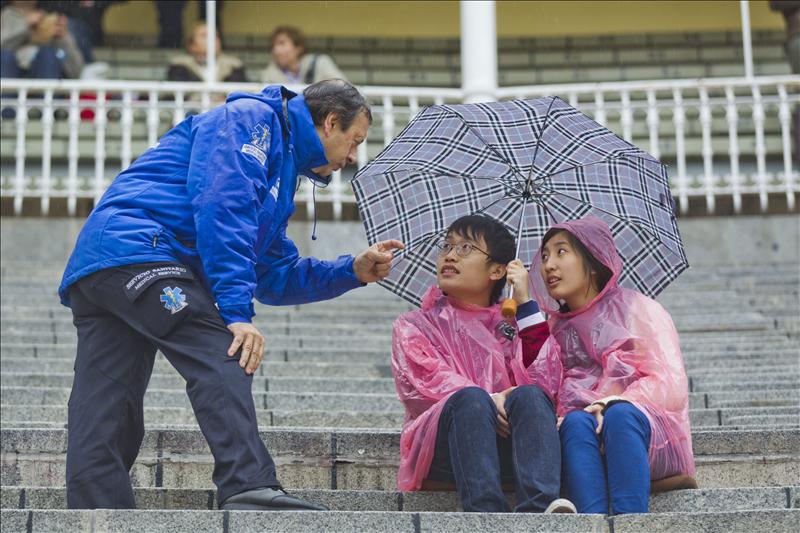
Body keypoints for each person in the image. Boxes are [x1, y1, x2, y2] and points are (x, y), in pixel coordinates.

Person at [58, 79, 404, 511]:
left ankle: (96, 514)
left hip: (106, 264)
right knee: (224, 350)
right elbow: (223, 209)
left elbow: (273, 274)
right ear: (331, 122)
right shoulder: (252, 121)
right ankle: (247, 484)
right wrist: (237, 314)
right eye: (355, 141)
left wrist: (351, 271)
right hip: (142, 252)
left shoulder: (280, 168)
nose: (353, 157)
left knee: (108, 400)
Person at [510, 216, 696, 515]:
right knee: (575, 423)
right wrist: (524, 304)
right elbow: (543, 385)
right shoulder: (554, 326)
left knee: (619, 416)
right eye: (544, 256)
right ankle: (592, 522)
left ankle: (631, 522)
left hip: (644, 432)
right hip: (580, 431)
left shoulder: (639, 309)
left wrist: (611, 402)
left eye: (561, 252)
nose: (548, 265)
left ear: (594, 261)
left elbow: (669, 383)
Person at [391, 215, 576, 514]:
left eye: (465, 248)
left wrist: (525, 303)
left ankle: (539, 510)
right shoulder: (414, 325)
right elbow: (423, 385)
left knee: (531, 396)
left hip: (512, 449)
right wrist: (490, 398)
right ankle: (485, 513)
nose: (450, 256)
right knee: (470, 400)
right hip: (447, 451)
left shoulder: (514, 321)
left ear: (498, 270)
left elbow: (548, 384)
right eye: (446, 246)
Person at [0, 0, 84, 79]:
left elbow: (76, 71)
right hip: (10, 74)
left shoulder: (52, 20)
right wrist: (26, 26)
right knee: (5, 57)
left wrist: (62, 38)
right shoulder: (5, 16)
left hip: (45, 74)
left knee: (48, 55)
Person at [262, 25, 346, 85]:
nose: (276, 50)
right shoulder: (268, 76)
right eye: (273, 46)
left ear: (298, 47)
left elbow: (345, 90)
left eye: (282, 43)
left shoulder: (320, 64)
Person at [167, 22, 246, 83]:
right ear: (191, 45)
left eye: (215, 35)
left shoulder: (234, 66)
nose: (212, 39)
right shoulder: (179, 66)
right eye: (204, 36)